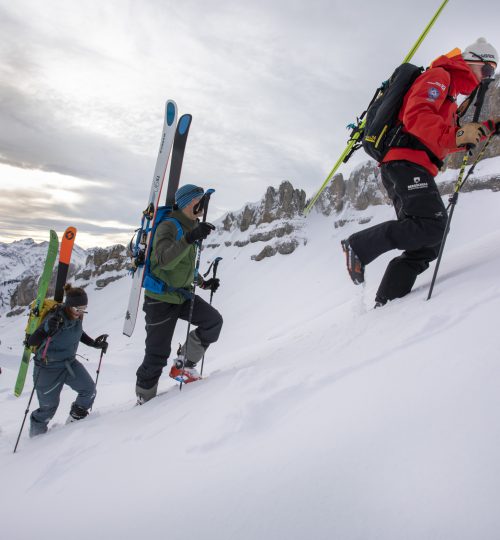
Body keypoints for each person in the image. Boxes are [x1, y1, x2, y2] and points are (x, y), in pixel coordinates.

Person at [341, 37, 500, 306]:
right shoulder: (440, 76)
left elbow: (437, 141)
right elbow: (417, 117)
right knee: (432, 225)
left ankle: (387, 303)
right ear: (472, 61)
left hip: (413, 165)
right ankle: (359, 245)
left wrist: (482, 129)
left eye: (492, 73)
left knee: (427, 243)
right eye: (487, 70)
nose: (488, 77)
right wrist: (459, 133)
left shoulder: (450, 98)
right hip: (405, 163)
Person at [135, 184, 223, 404]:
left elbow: (184, 267)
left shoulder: (190, 227)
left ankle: (183, 364)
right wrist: (189, 239)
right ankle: (144, 400)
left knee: (213, 321)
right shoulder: (169, 227)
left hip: (181, 295)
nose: (203, 206)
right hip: (160, 300)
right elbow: (164, 261)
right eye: (199, 201)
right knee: (157, 355)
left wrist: (204, 283)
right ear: (188, 203)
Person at [28, 284, 108, 437]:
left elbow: (78, 332)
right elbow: (32, 341)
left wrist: (94, 344)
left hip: (69, 364)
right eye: (78, 309)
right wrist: (46, 329)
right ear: (69, 306)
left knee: (89, 391)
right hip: (47, 368)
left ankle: (72, 427)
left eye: (84, 308)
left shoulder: (76, 316)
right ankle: (35, 442)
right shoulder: (54, 318)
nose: (81, 312)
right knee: (48, 408)